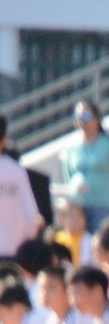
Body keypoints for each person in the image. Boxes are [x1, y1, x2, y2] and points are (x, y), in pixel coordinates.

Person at [63, 101, 109, 235]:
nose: (82, 121)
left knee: (102, 239)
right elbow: (68, 174)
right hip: (79, 209)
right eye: (78, 117)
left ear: (97, 119)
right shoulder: (72, 147)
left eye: (86, 116)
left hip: (104, 206)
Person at [0, 114, 49, 270]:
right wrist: (23, 243)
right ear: (4, 139)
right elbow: (32, 216)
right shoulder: (16, 171)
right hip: (14, 250)